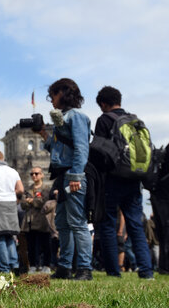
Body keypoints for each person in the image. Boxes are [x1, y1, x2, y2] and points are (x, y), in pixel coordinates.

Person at [94, 86, 154, 279]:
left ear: (103, 104)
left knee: (108, 225)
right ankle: (146, 270)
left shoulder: (104, 120)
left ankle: (114, 271)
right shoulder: (136, 121)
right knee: (135, 224)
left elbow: (99, 152)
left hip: (112, 179)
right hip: (134, 179)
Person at [37, 78, 93, 280]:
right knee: (62, 222)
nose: (51, 99)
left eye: (53, 95)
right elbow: (56, 147)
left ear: (63, 93)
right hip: (62, 175)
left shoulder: (76, 116)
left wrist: (76, 175)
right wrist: (43, 133)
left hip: (72, 174)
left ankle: (85, 269)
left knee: (77, 222)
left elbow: (81, 147)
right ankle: (64, 267)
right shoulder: (64, 117)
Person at [21, 167, 52, 274]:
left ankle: (46, 265)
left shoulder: (46, 189)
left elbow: (44, 202)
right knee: (31, 244)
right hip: (29, 221)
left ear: (42, 175)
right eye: (32, 174)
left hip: (42, 220)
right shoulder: (28, 189)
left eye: (36, 173)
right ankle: (33, 265)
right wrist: (30, 201)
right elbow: (23, 204)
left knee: (45, 244)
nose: (34, 176)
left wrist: (32, 201)